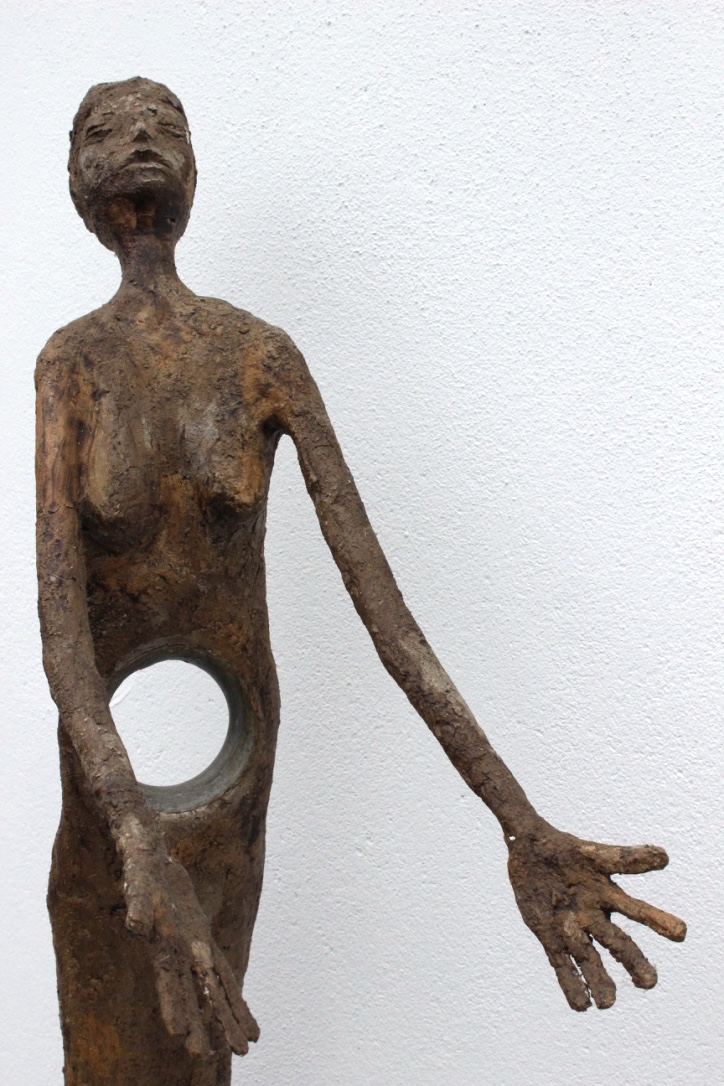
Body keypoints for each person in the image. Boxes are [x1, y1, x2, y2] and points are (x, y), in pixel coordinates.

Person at [36, 77, 685, 1083]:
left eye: (167, 125)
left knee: (200, 1052)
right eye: (112, 129)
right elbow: (65, 636)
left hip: (229, 785)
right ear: (80, 173)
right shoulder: (72, 363)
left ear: (195, 168)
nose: (144, 138)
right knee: (106, 1040)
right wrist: (133, 836)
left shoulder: (258, 355)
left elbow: (386, 614)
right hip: (112, 806)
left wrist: (518, 822)